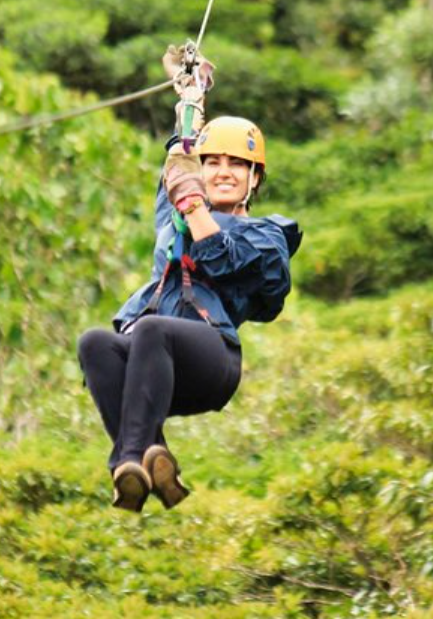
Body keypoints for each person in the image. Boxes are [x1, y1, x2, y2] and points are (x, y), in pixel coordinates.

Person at [77, 46, 302, 513]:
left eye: (236, 165)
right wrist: (190, 93)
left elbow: (220, 259)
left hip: (210, 361)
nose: (222, 172)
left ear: (254, 179)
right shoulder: (178, 205)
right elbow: (180, 155)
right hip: (150, 364)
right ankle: (148, 460)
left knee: (154, 329)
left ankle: (129, 456)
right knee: (96, 343)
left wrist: (194, 204)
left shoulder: (266, 235)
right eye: (213, 163)